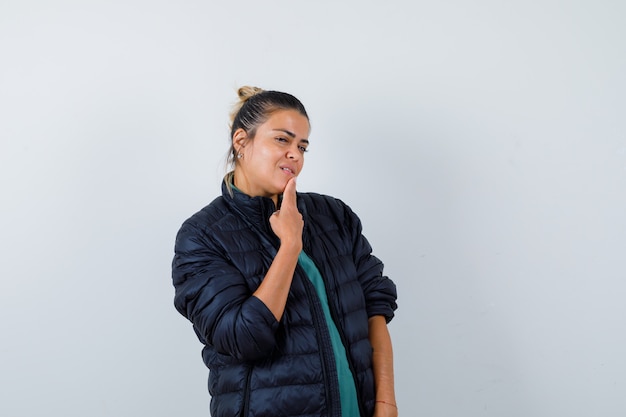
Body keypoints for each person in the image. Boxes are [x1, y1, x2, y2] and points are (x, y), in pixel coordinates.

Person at [172, 86, 398, 417]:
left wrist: (385, 403)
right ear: (241, 142)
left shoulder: (333, 216)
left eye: (302, 146)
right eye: (282, 140)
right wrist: (290, 246)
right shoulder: (203, 235)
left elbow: (374, 308)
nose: (295, 154)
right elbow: (242, 338)